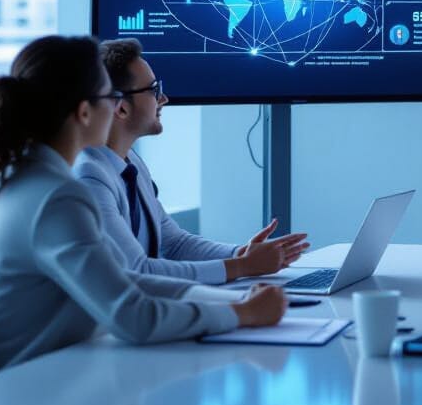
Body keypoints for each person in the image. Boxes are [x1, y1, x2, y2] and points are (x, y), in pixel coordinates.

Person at [0, 35, 286, 376]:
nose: (115, 106)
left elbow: (124, 279)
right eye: (109, 97)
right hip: (31, 395)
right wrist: (243, 315)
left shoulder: (28, 182)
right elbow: (134, 317)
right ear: (84, 112)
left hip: (40, 383)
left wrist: (232, 300)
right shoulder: (58, 197)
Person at [74, 38, 308, 285]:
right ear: (121, 108)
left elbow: (174, 244)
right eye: (153, 90)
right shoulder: (90, 177)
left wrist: (240, 254)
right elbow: (136, 271)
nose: (163, 98)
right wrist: (242, 266)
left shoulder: (131, 162)